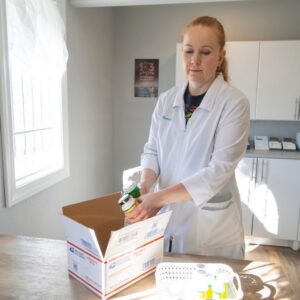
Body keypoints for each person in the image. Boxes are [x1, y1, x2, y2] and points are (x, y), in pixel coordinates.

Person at [126, 16, 250, 259]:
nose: (194, 60)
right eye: (188, 51)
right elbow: (152, 151)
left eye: (205, 52)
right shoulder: (166, 101)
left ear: (220, 56)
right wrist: (145, 186)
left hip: (210, 227)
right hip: (167, 219)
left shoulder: (234, 103)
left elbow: (218, 171)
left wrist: (157, 199)